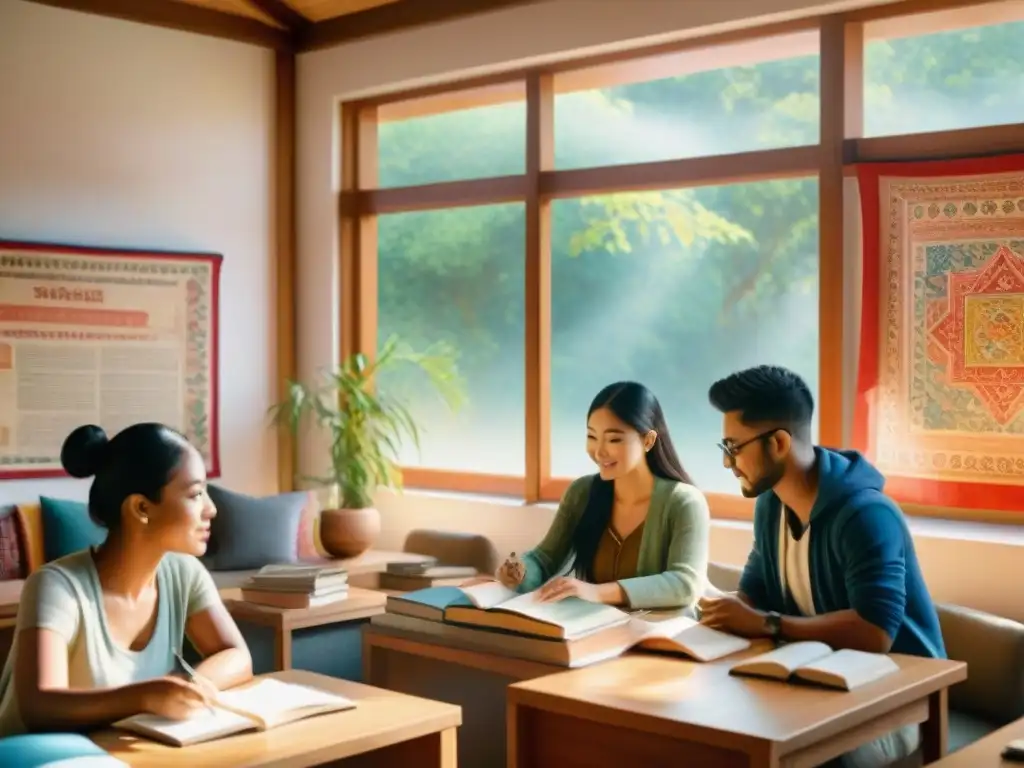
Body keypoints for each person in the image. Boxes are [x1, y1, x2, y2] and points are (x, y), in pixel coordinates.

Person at [698, 365, 944, 768]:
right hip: (817, 682)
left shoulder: (866, 514)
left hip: (900, 697)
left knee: (809, 758)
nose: (728, 464)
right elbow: (753, 594)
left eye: (733, 448)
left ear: (778, 443)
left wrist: (766, 624)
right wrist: (712, 613)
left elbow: (875, 632)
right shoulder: (770, 504)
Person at [0, 423, 253, 736]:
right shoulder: (56, 587)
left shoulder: (184, 573)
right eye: (196, 494)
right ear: (142, 508)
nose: (211, 509)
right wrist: (145, 697)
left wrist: (191, 686)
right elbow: (38, 706)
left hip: (119, 749)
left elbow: (237, 655)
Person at [485, 381, 711, 610]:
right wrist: (520, 572)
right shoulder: (581, 493)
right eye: (592, 437)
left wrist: (595, 592)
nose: (599, 451)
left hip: (659, 635)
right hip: (594, 629)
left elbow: (685, 584)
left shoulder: (684, 502)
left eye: (614, 439)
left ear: (648, 440)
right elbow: (544, 560)